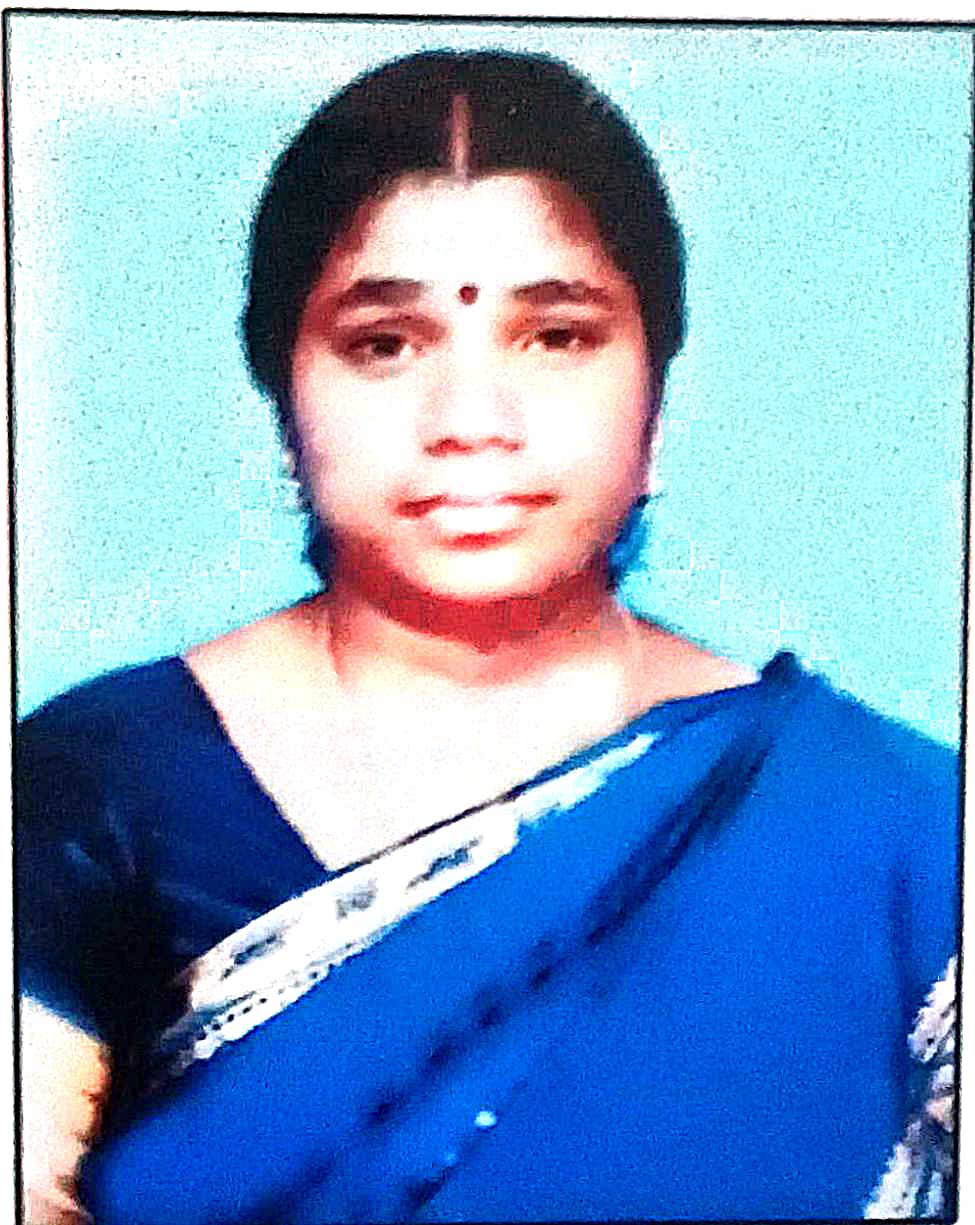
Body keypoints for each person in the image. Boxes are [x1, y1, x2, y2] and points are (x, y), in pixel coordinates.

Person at [17, 49, 958, 1224]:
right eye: (385, 344)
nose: (471, 421)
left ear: (656, 389)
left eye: (556, 337)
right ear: (281, 390)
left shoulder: (899, 828)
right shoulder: (100, 783)